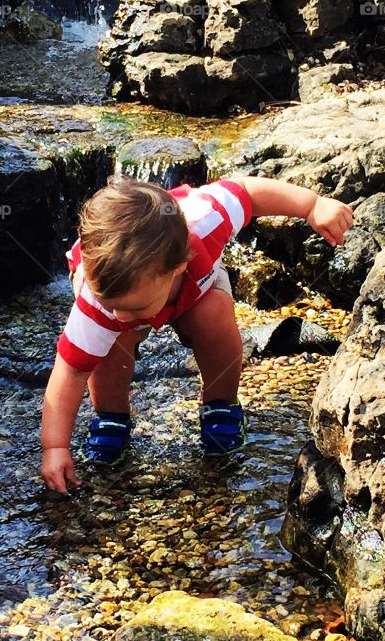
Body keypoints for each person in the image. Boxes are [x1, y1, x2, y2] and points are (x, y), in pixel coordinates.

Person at [40, 175, 354, 494]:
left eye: (134, 308)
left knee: (212, 313)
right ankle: (111, 417)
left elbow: (248, 192)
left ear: (178, 266)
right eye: (117, 308)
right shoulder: (101, 304)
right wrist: (55, 447)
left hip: (197, 287)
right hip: (111, 286)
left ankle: (221, 405)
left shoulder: (207, 219)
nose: (122, 315)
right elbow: (71, 370)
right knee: (109, 341)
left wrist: (313, 205)